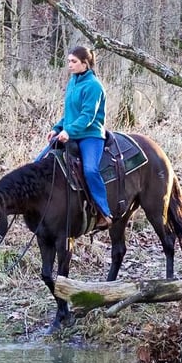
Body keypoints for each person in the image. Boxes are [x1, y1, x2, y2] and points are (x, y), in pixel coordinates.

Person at [45, 46, 112, 230]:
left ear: (86, 63)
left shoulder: (94, 86)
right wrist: (57, 128)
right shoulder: (73, 82)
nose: (70, 65)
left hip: (91, 135)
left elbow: (87, 116)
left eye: (74, 61)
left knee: (90, 170)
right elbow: (70, 114)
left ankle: (103, 212)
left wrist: (69, 131)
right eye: (68, 61)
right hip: (71, 132)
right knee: (42, 161)